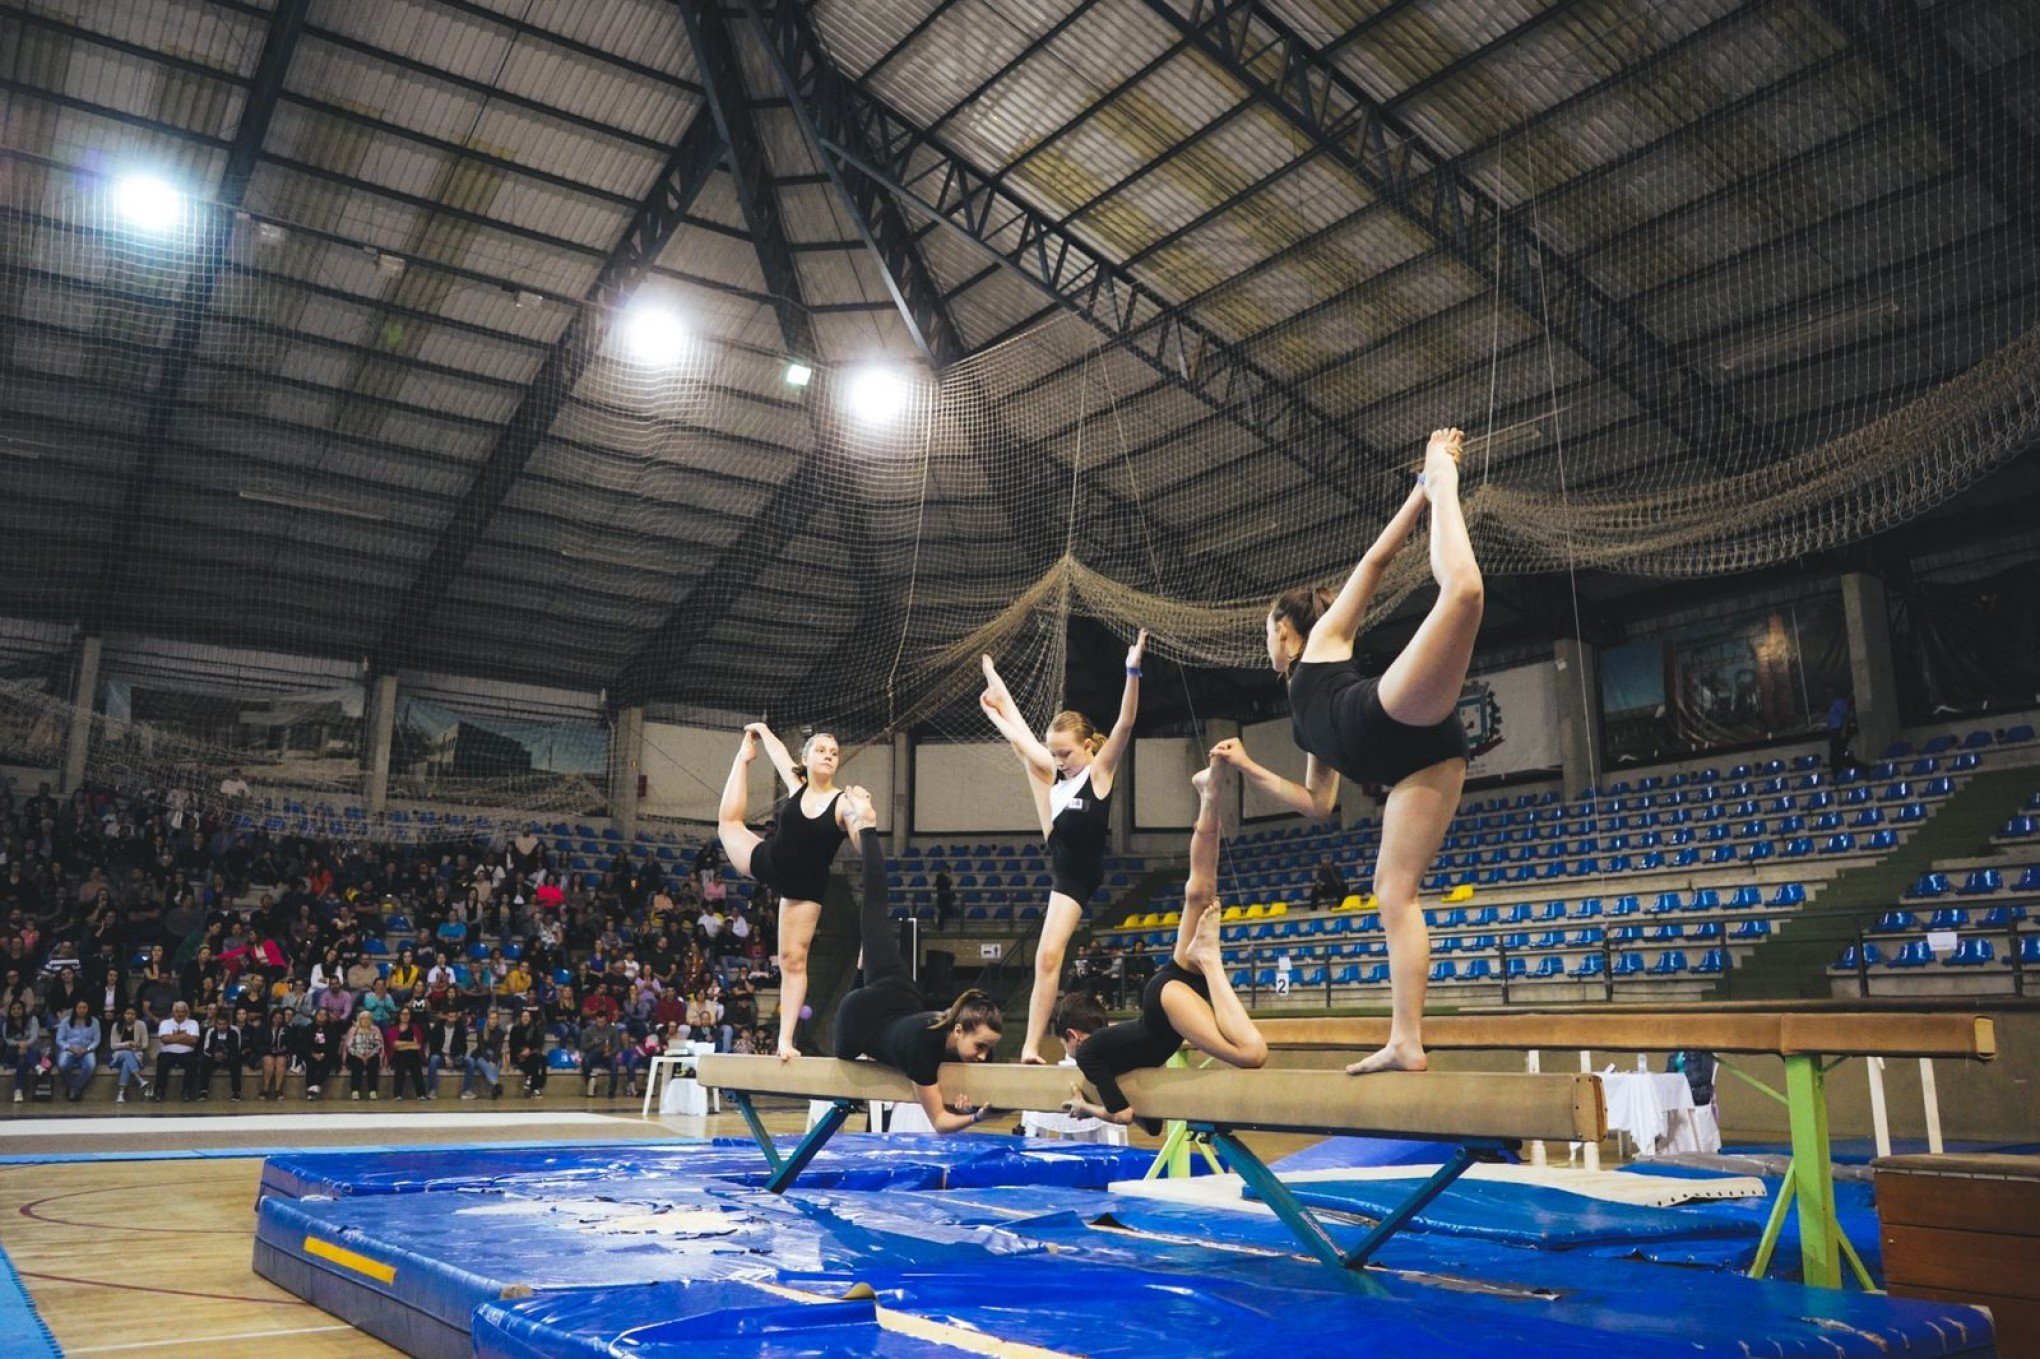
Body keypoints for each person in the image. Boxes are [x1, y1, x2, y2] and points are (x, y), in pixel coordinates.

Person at [1212, 428, 1479, 1075]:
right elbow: (1317, 801)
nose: (1267, 648)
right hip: (1421, 764)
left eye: (1268, 636)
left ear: (1283, 630)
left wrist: (1422, 488)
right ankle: (1406, 1039)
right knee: (1393, 893)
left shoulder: (1325, 640)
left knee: (1465, 593)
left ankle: (1445, 477)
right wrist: (1248, 767)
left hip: (1392, 710)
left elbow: (1376, 562)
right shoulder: (1303, 723)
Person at [1061, 761, 1267, 1132]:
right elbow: (1150, 1125)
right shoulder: (1114, 1059)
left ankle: (1210, 957)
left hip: (1168, 1000)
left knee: (1252, 1055)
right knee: (1200, 891)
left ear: (1072, 1037)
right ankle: (1209, 796)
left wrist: (1085, 1108)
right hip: (1169, 988)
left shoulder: (1088, 1057)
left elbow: (1120, 1116)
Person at [978, 629, 1146, 1065]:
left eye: (1066, 753)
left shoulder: (1099, 772)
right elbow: (1029, 743)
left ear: (1089, 747)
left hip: (1078, 870)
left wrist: (1132, 671)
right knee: (1025, 751)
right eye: (1055, 752)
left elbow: (1125, 724)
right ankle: (1032, 1047)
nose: (1060, 759)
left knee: (1048, 956)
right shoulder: (1057, 773)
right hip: (1059, 842)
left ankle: (1032, 1046)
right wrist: (995, 695)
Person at [830, 788, 1003, 1133]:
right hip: (859, 1020)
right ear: (957, 1029)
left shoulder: (970, 1040)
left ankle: (867, 961)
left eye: (986, 1050)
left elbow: (956, 1093)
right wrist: (978, 1117)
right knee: (874, 910)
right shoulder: (923, 1050)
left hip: (899, 1002)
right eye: (981, 1048)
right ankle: (867, 826)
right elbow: (939, 1121)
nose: (983, 1056)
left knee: (875, 922)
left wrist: (962, 1101)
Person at [715, 724, 865, 1061]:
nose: (829, 755)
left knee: (792, 962)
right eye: (822, 750)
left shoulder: (842, 802)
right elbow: (780, 753)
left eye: (834, 752)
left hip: (803, 889)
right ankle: (742, 760)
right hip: (768, 861)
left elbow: (858, 833)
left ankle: (785, 1041)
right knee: (728, 823)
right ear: (806, 758)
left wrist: (863, 820)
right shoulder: (797, 786)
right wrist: (761, 733)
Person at [154, 1000, 202, 1102]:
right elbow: (165, 1040)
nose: (180, 1014)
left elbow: (193, 1041)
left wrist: (173, 1038)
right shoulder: (165, 1023)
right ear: (173, 1012)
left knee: (193, 1062)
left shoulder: (193, 1023)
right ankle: (159, 1091)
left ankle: (187, 1091)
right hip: (167, 1053)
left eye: (182, 1011)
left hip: (187, 1053)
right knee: (162, 1061)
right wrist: (184, 1036)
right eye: (177, 1011)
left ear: (186, 1012)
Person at [54, 999, 99, 1102]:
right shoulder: (65, 1021)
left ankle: (74, 1088)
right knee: (62, 1065)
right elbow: (59, 1039)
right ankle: (74, 1089)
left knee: (91, 1065)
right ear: (75, 1009)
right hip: (69, 1049)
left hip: (87, 1050)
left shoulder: (94, 1022)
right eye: (79, 1008)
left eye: (84, 1008)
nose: (82, 1010)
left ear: (88, 1009)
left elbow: (96, 1040)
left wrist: (87, 1049)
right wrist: (70, 1047)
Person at [108, 1004, 151, 1103]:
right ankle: (139, 1078)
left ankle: (121, 1093)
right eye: (128, 1013)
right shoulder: (116, 1025)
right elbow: (113, 1046)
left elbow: (145, 1044)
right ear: (123, 1014)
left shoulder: (141, 1025)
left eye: (133, 1014)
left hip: (136, 1054)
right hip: (118, 1055)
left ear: (136, 1015)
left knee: (126, 1064)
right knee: (127, 1053)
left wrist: (136, 1045)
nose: (130, 1016)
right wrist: (126, 1044)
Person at [2, 999, 41, 1103]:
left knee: (23, 1060)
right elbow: (8, 1040)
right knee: (19, 1054)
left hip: (30, 1049)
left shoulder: (33, 1019)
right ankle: (36, 1065)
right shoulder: (7, 1024)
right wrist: (19, 1044)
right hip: (13, 1052)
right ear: (10, 1011)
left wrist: (25, 1045)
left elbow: (34, 1036)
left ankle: (18, 1090)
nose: (16, 1011)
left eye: (19, 1008)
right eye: (13, 1009)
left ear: (23, 1009)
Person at [199, 1008, 242, 1101]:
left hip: (229, 1057)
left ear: (228, 1024)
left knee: (236, 1062)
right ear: (215, 1024)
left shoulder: (234, 1032)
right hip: (214, 1057)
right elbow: (206, 1048)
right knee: (204, 1061)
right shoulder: (211, 1032)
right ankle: (203, 1091)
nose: (221, 1026)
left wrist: (225, 1054)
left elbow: (236, 1048)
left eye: (224, 1024)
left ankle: (236, 1092)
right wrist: (214, 1054)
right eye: (219, 1024)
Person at [254, 1007, 294, 1101]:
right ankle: (265, 1088)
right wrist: (270, 1050)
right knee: (269, 1060)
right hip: (265, 1053)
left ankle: (278, 1089)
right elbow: (256, 1045)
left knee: (280, 1060)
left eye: (280, 1018)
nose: (277, 1020)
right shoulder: (262, 1028)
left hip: (282, 1054)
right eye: (275, 1017)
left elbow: (290, 1045)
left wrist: (283, 1049)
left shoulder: (287, 1029)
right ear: (271, 1017)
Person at [510, 1005, 549, 1097]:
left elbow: (536, 1043)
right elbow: (512, 1044)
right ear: (520, 1018)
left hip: (531, 1053)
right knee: (535, 1062)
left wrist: (529, 1050)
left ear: (530, 1018)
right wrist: (521, 1051)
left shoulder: (534, 1029)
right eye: (524, 1016)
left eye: (527, 1017)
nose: (526, 1018)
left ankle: (531, 1080)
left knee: (540, 1060)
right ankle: (535, 1088)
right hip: (518, 1055)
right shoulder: (515, 1029)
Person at [344, 1010, 384, 1100]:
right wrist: (359, 1055)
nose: (366, 1021)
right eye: (364, 1019)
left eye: (368, 1019)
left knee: (373, 1064)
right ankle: (355, 1091)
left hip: (370, 1054)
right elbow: (349, 1046)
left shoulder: (374, 1030)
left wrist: (370, 1054)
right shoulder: (354, 1031)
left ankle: (373, 1091)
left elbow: (378, 1045)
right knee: (356, 1065)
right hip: (356, 1055)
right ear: (360, 1020)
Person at [468, 1009, 506, 1100]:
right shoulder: (481, 1032)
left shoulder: (501, 1033)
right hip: (480, 1055)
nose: (493, 1021)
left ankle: (495, 1088)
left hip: (494, 1056)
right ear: (488, 1020)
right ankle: (496, 1084)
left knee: (495, 1063)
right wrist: (490, 1061)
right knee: (490, 1064)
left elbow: (498, 1049)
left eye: (495, 1019)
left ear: (498, 1020)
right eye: (491, 1018)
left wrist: (494, 1061)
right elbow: (482, 1049)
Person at [301, 1010, 340, 1100]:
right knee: (310, 1065)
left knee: (327, 1064)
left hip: (327, 1054)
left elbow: (334, 1045)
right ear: (315, 1015)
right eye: (319, 1014)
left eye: (324, 1015)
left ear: (327, 1017)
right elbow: (304, 1044)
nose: (322, 1016)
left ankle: (316, 1085)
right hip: (311, 1053)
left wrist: (323, 1054)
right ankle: (311, 1089)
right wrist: (313, 1054)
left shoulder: (332, 1029)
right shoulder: (308, 1028)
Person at [388, 1009, 426, 1099]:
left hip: (414, 1055)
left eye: (407, 1014)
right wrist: (411, 1043)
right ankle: (397, 1095)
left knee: (416, 1067)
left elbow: (418, 1045)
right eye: (403, 1014)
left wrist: (402, 1044)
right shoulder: (393, 1029)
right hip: (398, 1055)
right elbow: (394, 1045)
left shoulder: (415, 1028)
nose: (405, 1016)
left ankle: (421, 1094)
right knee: (400, 1065)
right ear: (399, 1015)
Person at [1825, 692, 1857, 772]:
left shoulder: (1839, 702)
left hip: (1839, 731)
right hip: (1833, 732)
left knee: (1837, 756)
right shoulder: (1831, 705)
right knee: (1837, 757)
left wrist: (1844, 731)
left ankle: (1862, 768)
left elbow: (1845, 716)